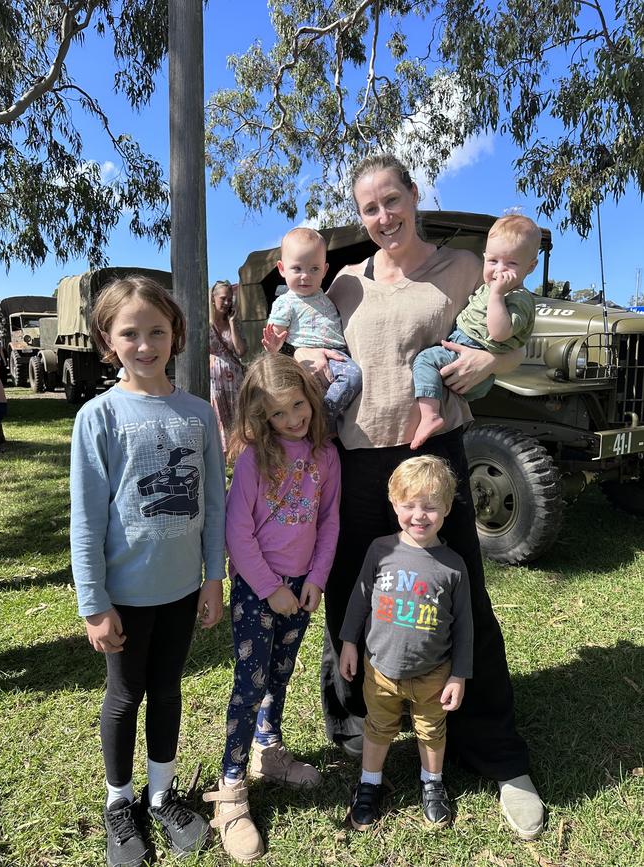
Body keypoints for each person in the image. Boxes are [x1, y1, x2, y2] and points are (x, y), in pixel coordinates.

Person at [294, 153, 545, 841]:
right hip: (355, 461)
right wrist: (303, 362)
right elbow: (307, 352)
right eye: (368, 208)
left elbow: (518, 341)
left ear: (413, 194)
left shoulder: (466, 266)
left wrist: (492, 360)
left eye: (390, 200)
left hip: (436, 457)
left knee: (461, 590)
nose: (381, 216)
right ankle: (356, 724)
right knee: (353, 592)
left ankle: (493, 749)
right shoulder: (341, 282)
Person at [70, 275, 226, 867]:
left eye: (156, 331)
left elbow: (211, 500)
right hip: (125, 596)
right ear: (107, 341)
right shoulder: (99, 417)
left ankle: (161, 796)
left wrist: (214, 577)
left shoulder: (195, 414)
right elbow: (85, 520)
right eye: (129, 333)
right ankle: (120, 802)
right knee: (125, 694)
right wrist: (94, 602)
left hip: (184, 590)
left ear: (176, 335)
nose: (144, 344)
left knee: (166, 691)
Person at [203, 353, 340, 864]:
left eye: (298, 406)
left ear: (310, 396)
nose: (292, 420)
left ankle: (268, 750)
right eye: (279, 414)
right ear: (261, 416)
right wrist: (268, 588)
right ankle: (232, 785)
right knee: (250, 683)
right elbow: (237, 532)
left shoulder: (326, 455)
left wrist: (316, 581)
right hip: (258, 591)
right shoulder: (252, 459)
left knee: (280, 675)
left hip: (303, 588)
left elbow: (328, 522)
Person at [340, 456, 472, 831]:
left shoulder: (453, 566)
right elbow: (359, 598)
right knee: (378, 727)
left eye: (430, 506)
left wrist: (459, 676)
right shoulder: (380, 550)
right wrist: (349, 641)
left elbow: (465, 627)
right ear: (394, 504)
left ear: (446, 508)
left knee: (432, 731)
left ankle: (432, 784)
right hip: (379, 670)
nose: (419, 515)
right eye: (409, 505)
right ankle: (369, 785)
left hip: (433, 675)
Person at [410, 214, 538, 448]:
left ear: (530, 267)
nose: (499, 270)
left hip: (471, 352)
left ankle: (430, 416)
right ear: (484, 258)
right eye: (493, 261)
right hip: (463, 348)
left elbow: (499, 333)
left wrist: (497, 295)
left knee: (424, 360)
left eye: (511, 264)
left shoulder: (518, 299)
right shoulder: (489, 288)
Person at [262, 227, 362, 430]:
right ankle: (323, 420)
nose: (305, 276)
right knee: (352, 376)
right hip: (306, 359)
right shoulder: (286, 302)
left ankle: (324, 424)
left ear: (325, 270)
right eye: (297, 269)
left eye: (313, 269)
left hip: (336, 355)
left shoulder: (325, 296)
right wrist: (275, 347)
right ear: (282, 269)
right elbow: (276, 339)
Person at [209, 278, 248, 451]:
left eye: (229, 298)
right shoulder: (205, 324)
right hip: (215, 381)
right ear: (213, 298)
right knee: (221, 420)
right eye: (223, 298)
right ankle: (225, 463)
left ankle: (238, 456)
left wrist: (232, 323)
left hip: (235, 380)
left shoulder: (234, 322)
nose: (227, 302)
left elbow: (240, 351)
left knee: (238, 418)